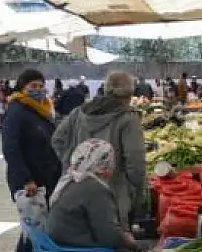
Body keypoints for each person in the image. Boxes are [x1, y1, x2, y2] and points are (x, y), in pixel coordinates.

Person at [52, 71, 147, 227]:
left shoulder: (79, 112)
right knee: (113, 239)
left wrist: (74, 164)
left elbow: (57, 140)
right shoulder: (128, 119)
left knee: (84, 236)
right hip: (113, 193)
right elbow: (135, 163)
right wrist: (137, 192)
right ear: (130, 93)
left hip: (76, 189)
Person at [1, 69, 61, 252]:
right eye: (32, 86)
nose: (37, 90)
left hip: (45, 177)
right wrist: (26, 179)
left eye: (40, 85)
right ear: (22, 87)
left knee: (40, 225)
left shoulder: (42, 109)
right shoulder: (17, 111)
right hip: (29, 182)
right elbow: (11, 148)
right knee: (32, 228)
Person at [46, 139, 143, 252]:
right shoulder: (95, 188)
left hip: (60, 246)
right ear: (103, 165)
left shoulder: (73, 180)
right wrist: (132, 243)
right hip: (77, 251)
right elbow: (109, 236)